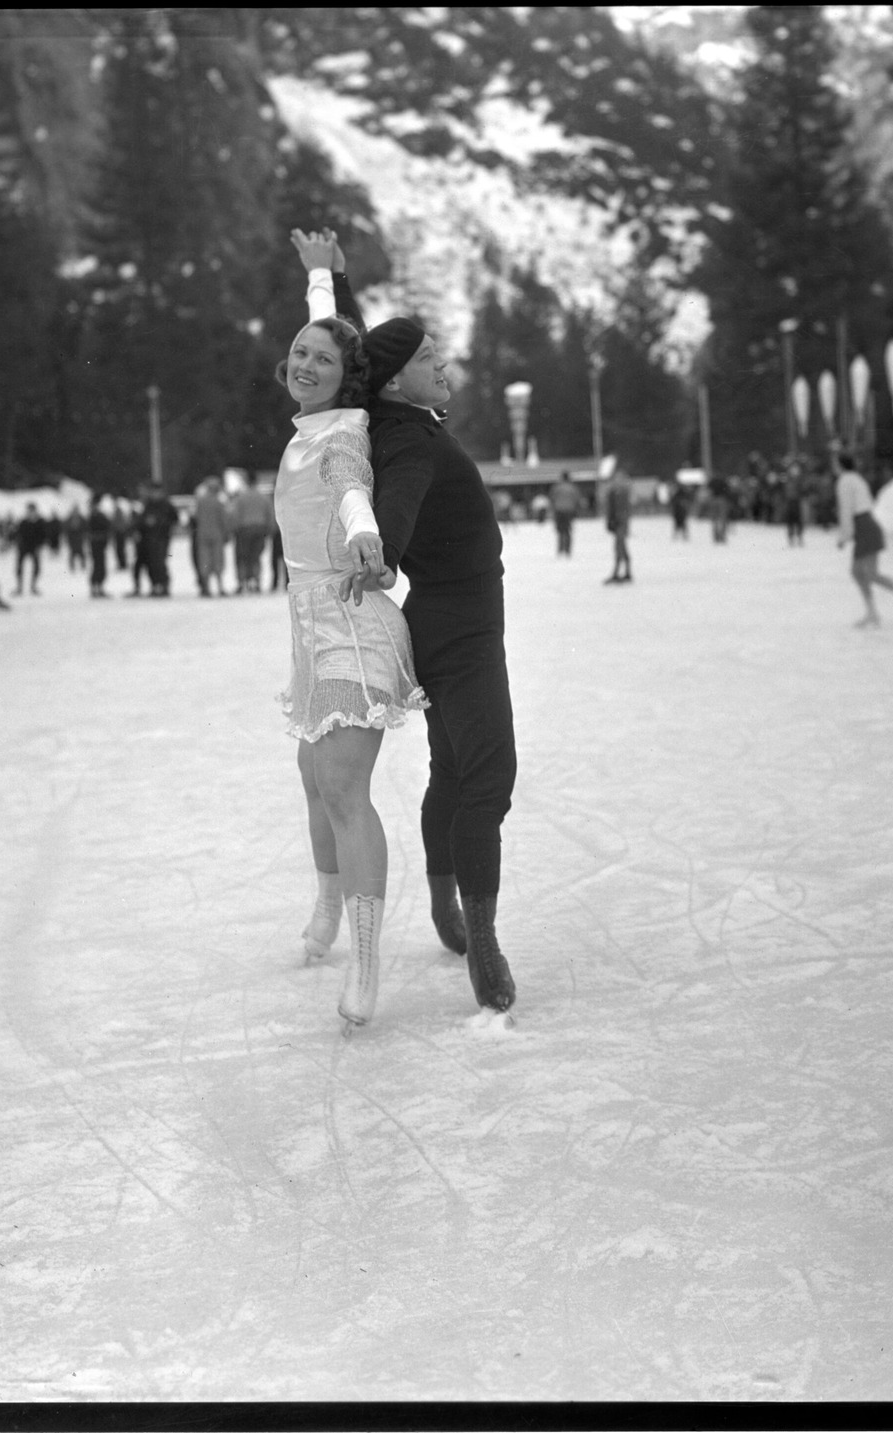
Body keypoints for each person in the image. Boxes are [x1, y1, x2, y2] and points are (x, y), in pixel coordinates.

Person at [314, 228, 518, 1016]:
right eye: (433, 360)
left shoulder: (403, 417)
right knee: (487, 777)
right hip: (461, 632)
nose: (446, 366)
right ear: (401, 384)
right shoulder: (409, 443)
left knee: (452, 772)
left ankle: (444, 906)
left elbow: (368, 356)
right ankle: (484, 937)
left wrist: (334, 279)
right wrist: (380, 544)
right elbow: (392, 499)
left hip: (450, 622)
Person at [280, 230, 429, 1031]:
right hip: (309, 626)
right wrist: (320, 279)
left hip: (350, 620)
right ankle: (328, 904)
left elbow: (350, 487)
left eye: (323, 361)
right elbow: (327, 331)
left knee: (341, 787)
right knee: (314, 778)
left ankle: (368, 963)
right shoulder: (310, 420)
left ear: (347, 383)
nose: (306, 363)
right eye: (300, 352)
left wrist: (366, 531)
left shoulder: (339, 434)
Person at [835, 453, 893, 628]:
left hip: (863, 526)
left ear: (840, 465)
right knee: (860, 573)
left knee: (868, 573)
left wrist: (844, 536)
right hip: (867, 524)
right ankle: (874, 612)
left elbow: (846, 509)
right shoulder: (857, 479)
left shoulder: (845, 481)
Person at [230, 472, 274, 593]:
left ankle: (242, 582)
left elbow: (235, 514)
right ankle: (256, 581)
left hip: (244, 530)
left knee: (242, 557)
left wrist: (233, 529)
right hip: (260, 529)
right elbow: (270, 514)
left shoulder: (241, 497)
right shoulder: (263, 497)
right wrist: (270, 529)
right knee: (256, 557)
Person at [192, 477, 229, 596]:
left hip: (202, 535)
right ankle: (220, 587)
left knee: (204, 561)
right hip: (217, 535)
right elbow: (223, 520)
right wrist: (226, 534)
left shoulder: (200, 502)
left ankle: (206, 587)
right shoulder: (218, 503)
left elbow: (195, 517)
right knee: (218, 561)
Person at [135, 494, 177, 597]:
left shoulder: (166, 505)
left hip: (162, 538)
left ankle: (164, 585)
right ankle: (155, 586)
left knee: (160, 563)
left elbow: (174, 519)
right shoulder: (149, 505)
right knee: (151, 564)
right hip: (149, 539)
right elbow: (141, 521)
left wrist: (160, 523)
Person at [603, 469, 634, 583]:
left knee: (619, 547)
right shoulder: (614, 492)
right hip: (618, 522)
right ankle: (625, 572)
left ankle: (618, 572)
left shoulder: (622, 492)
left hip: (620, 522)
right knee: (621, 547)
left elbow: (623, 510)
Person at [13, 501, 48, 596]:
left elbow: (44, 535)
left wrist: (39, 545)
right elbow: (18, 534)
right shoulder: (23, 522)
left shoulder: (40, 522)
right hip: (23, 547)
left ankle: (33, 586)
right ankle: (19, 587)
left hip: (34, 548)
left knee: (36, 567)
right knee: (19, 567)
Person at [85, 495, 113, 598]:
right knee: (97, 566)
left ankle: (99, 587)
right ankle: (95, 587)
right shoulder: (93, 516)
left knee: (101, 566)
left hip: (101, 544)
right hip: (95, 545)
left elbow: (108, 526)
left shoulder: (99, 516)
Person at [548, 471, 580, 557]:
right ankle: (568, 549)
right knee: (568, 531)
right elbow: (577, 499)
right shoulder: (572, 488)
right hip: (569, 511)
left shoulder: (557, 487)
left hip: (559, 510)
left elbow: (552, 498)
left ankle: (560, 549)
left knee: (560, 531)